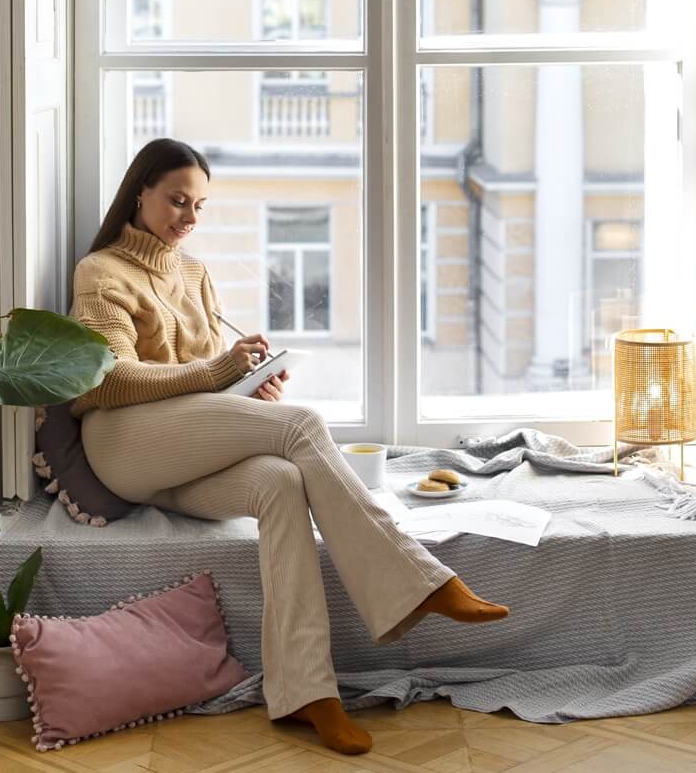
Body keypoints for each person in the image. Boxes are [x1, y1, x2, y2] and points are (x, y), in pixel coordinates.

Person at [70, 137, 509, 757]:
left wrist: (247, 388)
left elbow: (203, 385)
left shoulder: (193, 272)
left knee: (279, 481)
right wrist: (217, 376)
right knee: (302, 425)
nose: (188, 219)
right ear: (138, 192)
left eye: (199, 206)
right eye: (176, 201)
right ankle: (418, 580)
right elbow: (110, 378)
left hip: (178, 447)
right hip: (121, 443)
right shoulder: (101, 272)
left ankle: (307, 693)